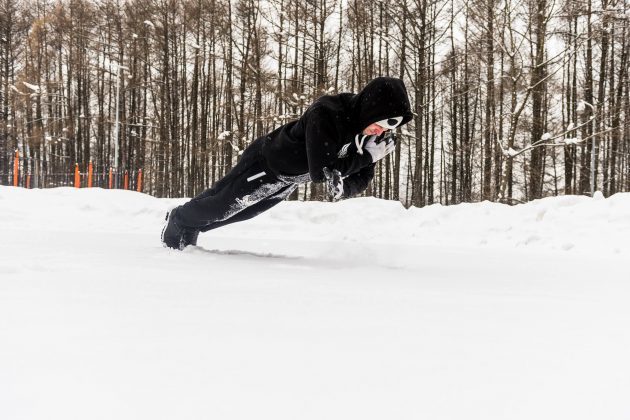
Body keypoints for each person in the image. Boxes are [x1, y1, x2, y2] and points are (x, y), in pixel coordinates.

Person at [161, 76, 413, 250]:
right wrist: (367, 157)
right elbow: (321, 170)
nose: (380, 132)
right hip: (265, 163)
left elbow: (362, 174)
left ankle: (190, 227)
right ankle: (179, 221)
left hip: (287, 180)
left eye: (389, 126)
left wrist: (345, 188)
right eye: (381, 122)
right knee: (222, 205)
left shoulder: (369, 135)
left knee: (241, 213)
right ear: (372, 108)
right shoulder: (327, 113)